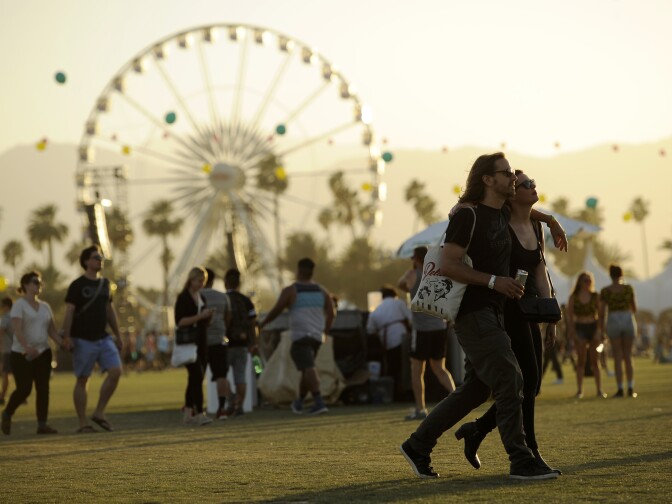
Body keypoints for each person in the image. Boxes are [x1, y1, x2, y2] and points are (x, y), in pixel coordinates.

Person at [399, 152, 563, 481]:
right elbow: (448, 264)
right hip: (474, 313)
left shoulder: (502, 214)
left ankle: (418, 445)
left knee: (476, 391)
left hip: (495, 313)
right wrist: (493, 281)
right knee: (511, 377)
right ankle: (520, 459)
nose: (512, 178)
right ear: (488, 180)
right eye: (505, 174)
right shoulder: (467, 216)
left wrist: (550, 221)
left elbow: (527, 210)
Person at [453, 170, 561, 474]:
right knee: (524, 382)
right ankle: (529, 454)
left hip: (529, 310)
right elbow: (467, 209)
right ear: (512, 192)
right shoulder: (499, 221)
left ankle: (478, 429)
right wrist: (552, 219)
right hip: (504, 310)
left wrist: (550, 318)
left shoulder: (536, 227)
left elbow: (540, 272)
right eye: (526, 184)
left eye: (533, 182)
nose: (532, 186)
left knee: (533, 383)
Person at [258, 258, 335, 415]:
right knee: (306, 369)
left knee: (309, 368)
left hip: (301, 336)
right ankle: (299, 402)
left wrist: (263, 323)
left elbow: (277, 310)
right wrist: (325, 332)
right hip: (316, 337)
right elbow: (332, 313)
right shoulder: (322, 291)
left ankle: (319, 401)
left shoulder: (291, 290)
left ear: (298, 271)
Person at [62, 245, 124, 433]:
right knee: (83, 379)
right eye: (96, 257)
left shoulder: (105, 284)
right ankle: (83, 423)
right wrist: (66, 336)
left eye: (101, 257)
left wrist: (118, 334)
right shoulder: (77, 285)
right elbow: (70, 311)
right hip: (82, 339)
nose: (100, 260)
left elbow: (109, 310)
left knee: (116, 371)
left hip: (103, 338)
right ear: (86, 261)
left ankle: (99, 412)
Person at [1, 272, 66, 435]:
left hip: (43, 352)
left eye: (40, 283)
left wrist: (63, 343)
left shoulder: (45, 307)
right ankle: (7, 413)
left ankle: (42, 425)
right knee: (25, 389)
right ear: (25, 285)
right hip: (22, 353)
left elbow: (51, 330)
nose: (39, 285)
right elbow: (17, 328)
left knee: (43, 389)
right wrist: (26, 346)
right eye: (35, 282)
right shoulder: (19, 305)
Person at [398, 247, 456, 420]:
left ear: (415, 259)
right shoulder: (438, 274)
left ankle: (420, 408)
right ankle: (457, 398)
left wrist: (412, 271)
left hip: (422, 330)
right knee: (439, 368)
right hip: (439, 327)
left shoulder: (412, 274)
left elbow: (400, 284)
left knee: (417, 369)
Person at [174, 266, 214, 426]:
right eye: (199, 280)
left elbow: (204, 321)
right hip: (188, 343)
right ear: (191, 280)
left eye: (203, 281)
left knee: (195, 378)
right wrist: (200, 316)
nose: (201, 284)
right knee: (197, 377)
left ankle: (188, 413)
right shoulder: (183, 298)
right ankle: (199, 413)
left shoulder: (201, 297)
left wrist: (208, 316)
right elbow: (180, 321)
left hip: (201, 342)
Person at [366, 285, 414, 402]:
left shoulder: (376, 310)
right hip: (403, 339)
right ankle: (407, 393)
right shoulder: (399, 303)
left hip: (387, 342)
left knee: (392, 368)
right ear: (394, 295)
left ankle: (393, 394)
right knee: (406, 367)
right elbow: (411, 318)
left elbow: (370, 330)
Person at [599, 264, 638, 397]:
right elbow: (634, 308)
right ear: (621, 274)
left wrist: (601, 329)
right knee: (628, 355)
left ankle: (620, 388)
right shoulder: (628, 289)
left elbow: (602, 312)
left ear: (610, 275)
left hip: (613, 319)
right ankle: (631, 387)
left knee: (617, 356)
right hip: (627, 318)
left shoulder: (606, 291)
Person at [224, 268, 258, 417]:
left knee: (221, 376)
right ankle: (240, 407)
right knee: (240, 377)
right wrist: (253, 342)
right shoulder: (246, 301)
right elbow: (253, 324)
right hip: (242, 345)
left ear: (225, 283)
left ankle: (231, 399)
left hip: (225, 345)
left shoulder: (223, 299)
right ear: (239, 283)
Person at [566, 271, 606, 399]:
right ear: (580, 282)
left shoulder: (595, 296)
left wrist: (600, 331)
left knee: (595, 361)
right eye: (585, 280)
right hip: (580, 328)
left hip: (593, 327)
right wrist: (572, 332)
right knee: (581, 361)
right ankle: (579, 391)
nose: (588, 282)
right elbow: (570, 317)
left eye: (589, 280)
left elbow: (600, 315)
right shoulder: (574, 297)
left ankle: (599, 390)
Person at [201, 268, 232, 420]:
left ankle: (196, 407)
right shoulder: (223, 297)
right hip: (219, 340)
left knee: (198, 376)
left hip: (202, 341)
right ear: (213, 280)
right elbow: (228, 317)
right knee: (221, 375)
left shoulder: (198, 296)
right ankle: (222, 408)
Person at [0, 297, 14, 406]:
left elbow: (1, 331)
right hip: (17, 349)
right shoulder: (16, 317)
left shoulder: (5, 318)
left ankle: (2, 396)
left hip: (8, 350)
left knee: (5, 374)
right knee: (16, 374)